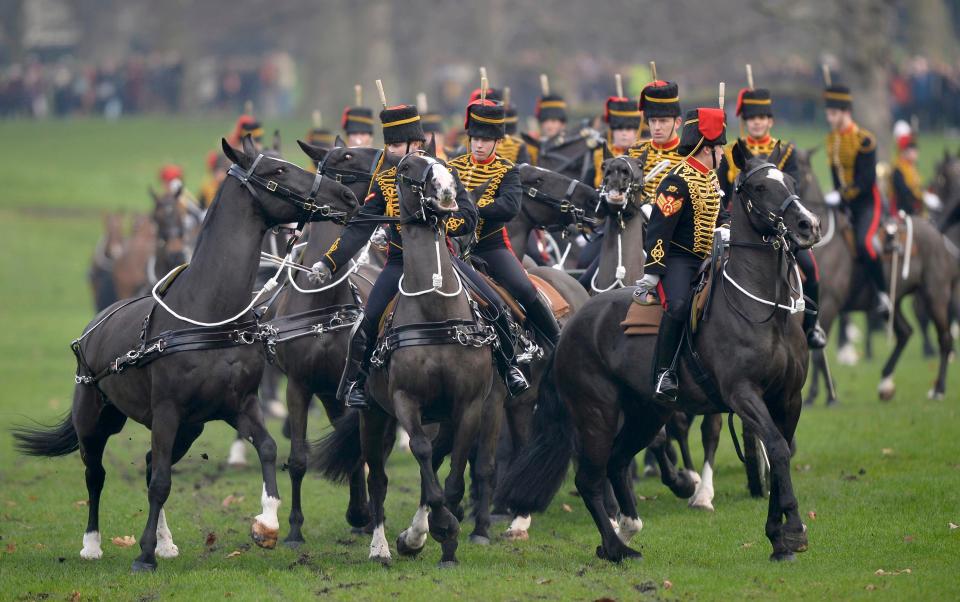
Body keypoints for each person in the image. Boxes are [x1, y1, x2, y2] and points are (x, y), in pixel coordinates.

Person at [310, 104, 527, 409]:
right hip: (400, 263)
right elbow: (360, 226)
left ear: (416, 144)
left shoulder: (443, 174)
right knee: (366, 320)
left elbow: (466, 215)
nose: (391, 150)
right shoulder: (385, 181)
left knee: (494, 305)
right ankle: (354, 383)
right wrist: (328, 262)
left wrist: (438, 218)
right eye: (389, 145)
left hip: (444, 260)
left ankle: (510, 367)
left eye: (396, 145)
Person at [717, 86, 826, 348]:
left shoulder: (785, 151)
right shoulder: (732, 153)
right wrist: (724, 219)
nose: (756, 122)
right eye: (752, 117)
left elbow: (793, 187)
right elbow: (720, 190)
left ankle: (812, 327)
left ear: (770, 121)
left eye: (762, 117)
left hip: (779, 225)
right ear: (745, 121)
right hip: (740, 225)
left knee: (810, 268)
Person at [448, 98, 561, 346]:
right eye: (475, 139)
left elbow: (510, 207)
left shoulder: (507, 170)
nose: (478, 145)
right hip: (451, 247)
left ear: (498, 141)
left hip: (490, 246)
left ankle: (556, 343)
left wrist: (473, 209)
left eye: (485, 140)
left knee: (525, 289)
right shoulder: (451, 167)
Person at [637, 107, 729, 403]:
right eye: (720, 148)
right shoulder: (677, 181)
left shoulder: (713, 180)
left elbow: (721, 216)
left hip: (710, 257)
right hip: (678, 259)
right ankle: (665, 372)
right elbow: (659, 230)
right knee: (677, 307)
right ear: (706, 149)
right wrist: (654, 268)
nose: (724, 154)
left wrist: (727, 227)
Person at [823, 83, 890, 318]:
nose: (829, 117)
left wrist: (840, 195)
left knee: (865, 244)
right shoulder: (831, 140)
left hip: (867, 204)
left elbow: (865, 181)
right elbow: (835, 176)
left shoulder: (865, 141)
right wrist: (835, 199)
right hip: (843, 204)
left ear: (845, 112)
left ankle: (883, 294)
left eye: (833, 113)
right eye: (828, 113)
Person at [627, 80, 684, 203]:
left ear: (677, 123)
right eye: (653, 121)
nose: (657, 127)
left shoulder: (689, 155)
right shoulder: (634, 151)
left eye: (663, 121)